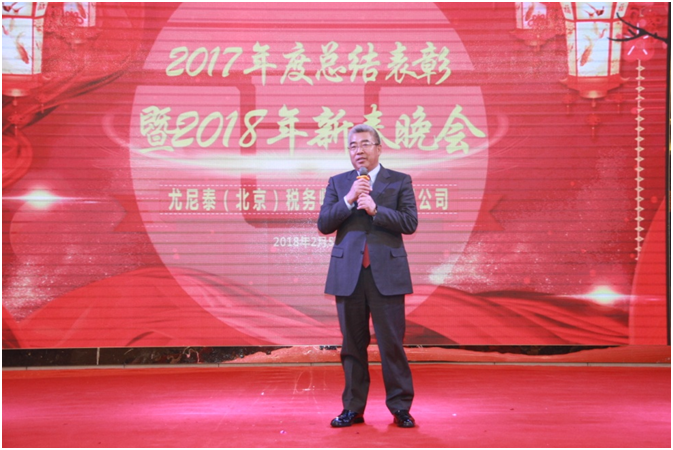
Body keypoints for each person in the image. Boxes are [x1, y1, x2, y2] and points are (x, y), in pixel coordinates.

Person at [317, 123, 418, 428]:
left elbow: (410, 222)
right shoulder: (339, 183)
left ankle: (400, 407)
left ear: (378, 148)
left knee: (391, 344)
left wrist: (376, 210)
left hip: (386, 274)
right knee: (352, 345)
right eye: (352, 146)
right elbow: (324, 224)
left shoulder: (399, 181)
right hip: (349, 275)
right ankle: (352, 408)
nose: (358, 151)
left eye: (364, 144)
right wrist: (348, 199)